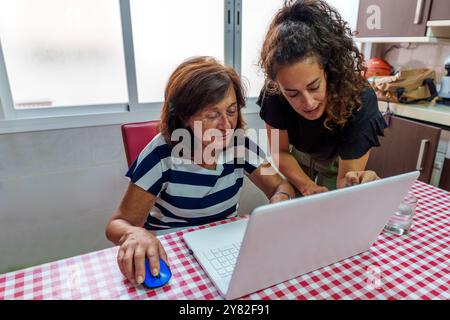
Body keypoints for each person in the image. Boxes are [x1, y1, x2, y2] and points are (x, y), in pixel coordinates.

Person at [105, 56, 295, 286]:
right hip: (171, 251)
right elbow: (119, 222)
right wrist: (134, 234)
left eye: (232, 111)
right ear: (185, 117)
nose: (226, 126)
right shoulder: (162, 153)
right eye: (212, 116)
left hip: (222, 246)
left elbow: (279, 185)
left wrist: (279, 200)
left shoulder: (240, 144)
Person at [257, 0, 386, 196]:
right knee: (292, 208)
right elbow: (279, 152)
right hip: (295, 154)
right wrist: (307, 186)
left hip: (337, 158)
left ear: (328, 70)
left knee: (337, 209)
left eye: (314, 86)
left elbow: (346, 179)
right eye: (292, 94)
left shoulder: (359, 98)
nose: (308, 103)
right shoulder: (273, 93)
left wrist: (354, 182)